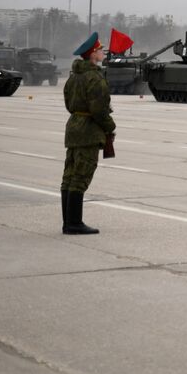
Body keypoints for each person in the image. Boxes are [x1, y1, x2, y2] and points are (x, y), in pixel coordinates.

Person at [61, 32, 116, 235]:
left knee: (69, 175)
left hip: (74, 126)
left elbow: (68, 103)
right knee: (81, 176)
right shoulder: (94, 78)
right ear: (93, 54)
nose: (103, 53)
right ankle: (74, 223)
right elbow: (99, 110)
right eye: (101, 50)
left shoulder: (73, 77)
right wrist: (110, 126)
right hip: (88, 131)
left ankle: (68, 222)